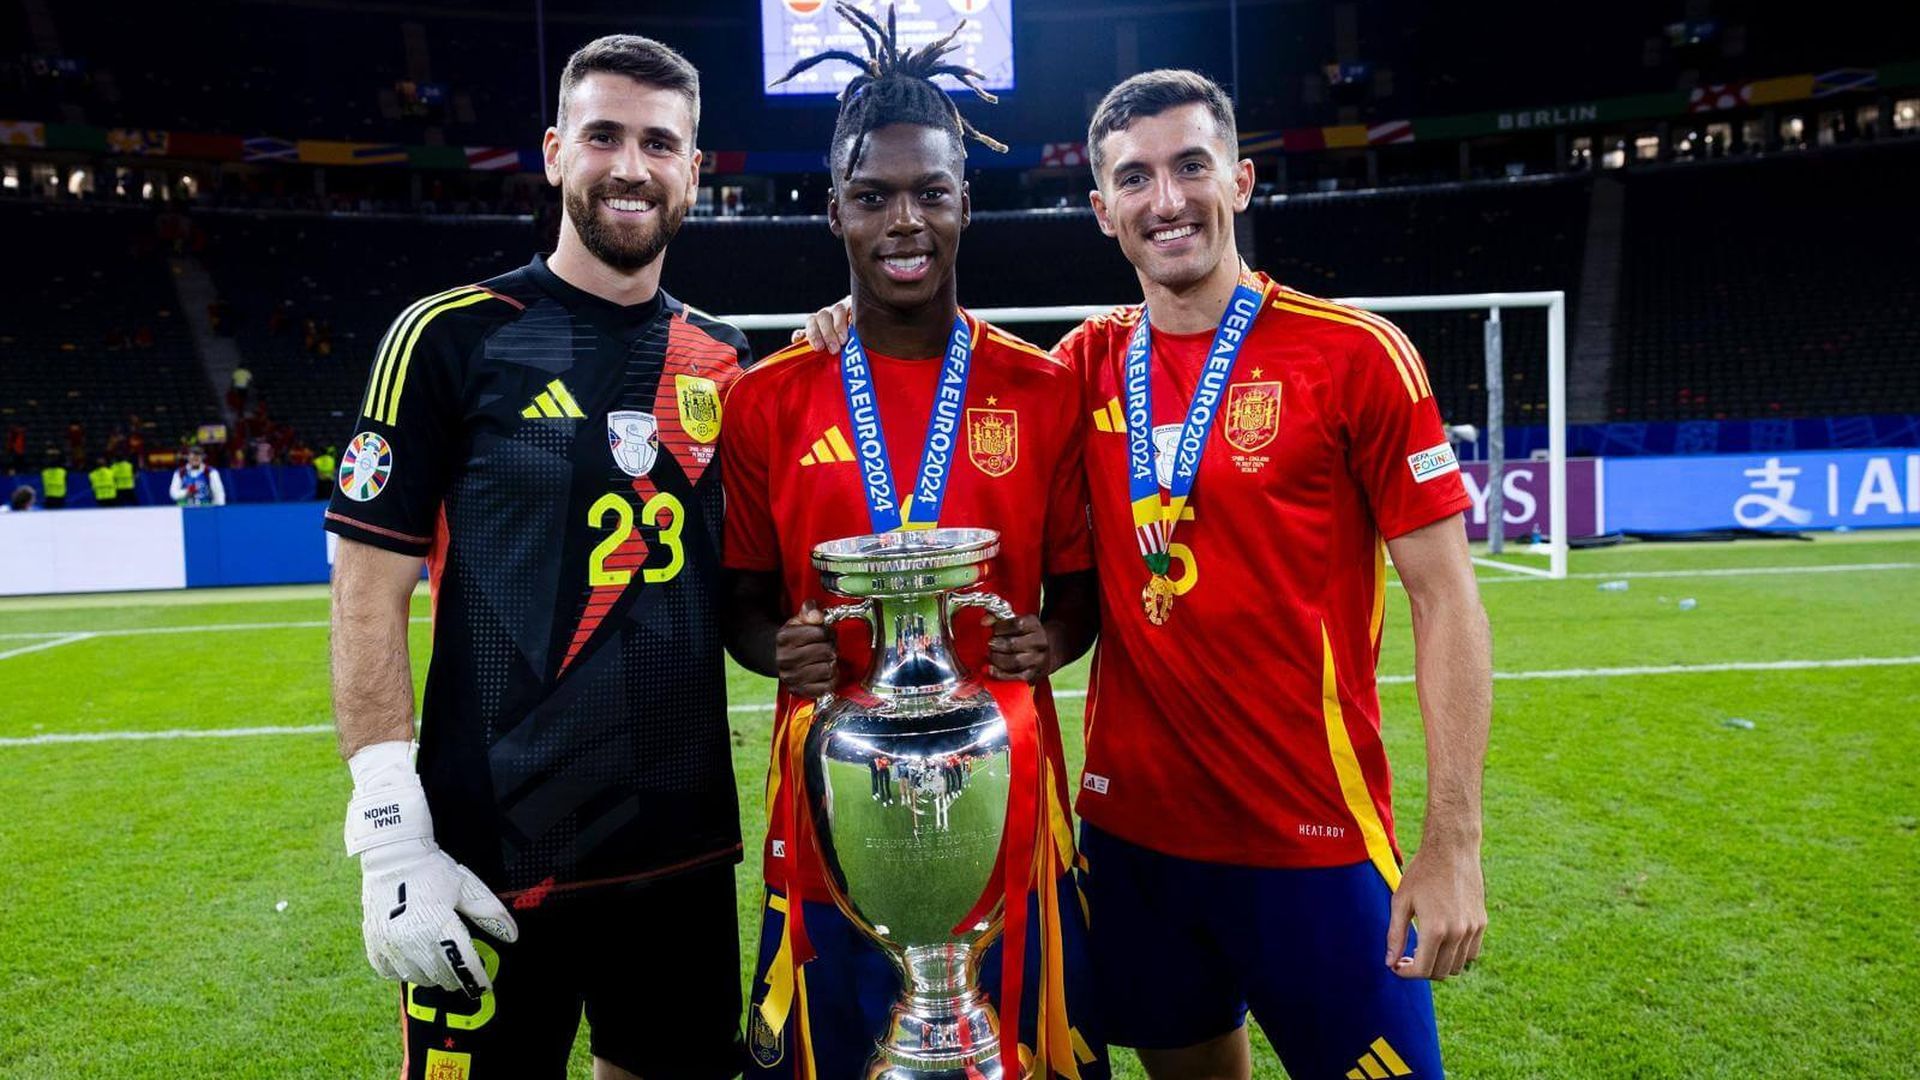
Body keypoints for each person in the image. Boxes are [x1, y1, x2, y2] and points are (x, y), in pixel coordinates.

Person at [802, 67, 1492, 1080]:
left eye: (1191, 167)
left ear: (1241, 181)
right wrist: (848, 319)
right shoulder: (1080, 368)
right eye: (1135, 178)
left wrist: (1455, 842)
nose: (1166, 200)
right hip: (1136, 842)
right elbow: (945, 365)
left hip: (1314, 837)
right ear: (1102, 210)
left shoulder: (1354, 356)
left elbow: (1448, 598)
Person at [325, 34, 749, 1080]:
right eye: (604, 136)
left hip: (680, 849)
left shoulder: (725, 359)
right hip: (489, 853)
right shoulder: (447, 337)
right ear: (557, 153)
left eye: (660, 143)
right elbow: (366, 594)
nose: (631, 166)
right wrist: (390, 831)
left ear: (694, 170)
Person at [720, 9, 1107, 1079]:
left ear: (965, 204)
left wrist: (1049, 640)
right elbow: (739, 598)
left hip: (1008, 803)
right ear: (833, 211)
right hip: (832, 810)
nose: (905, 221)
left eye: (931, 193)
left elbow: (1081, 590)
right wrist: (774, 650)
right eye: (874, 196)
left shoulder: (1041, 388)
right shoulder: (768, 398)